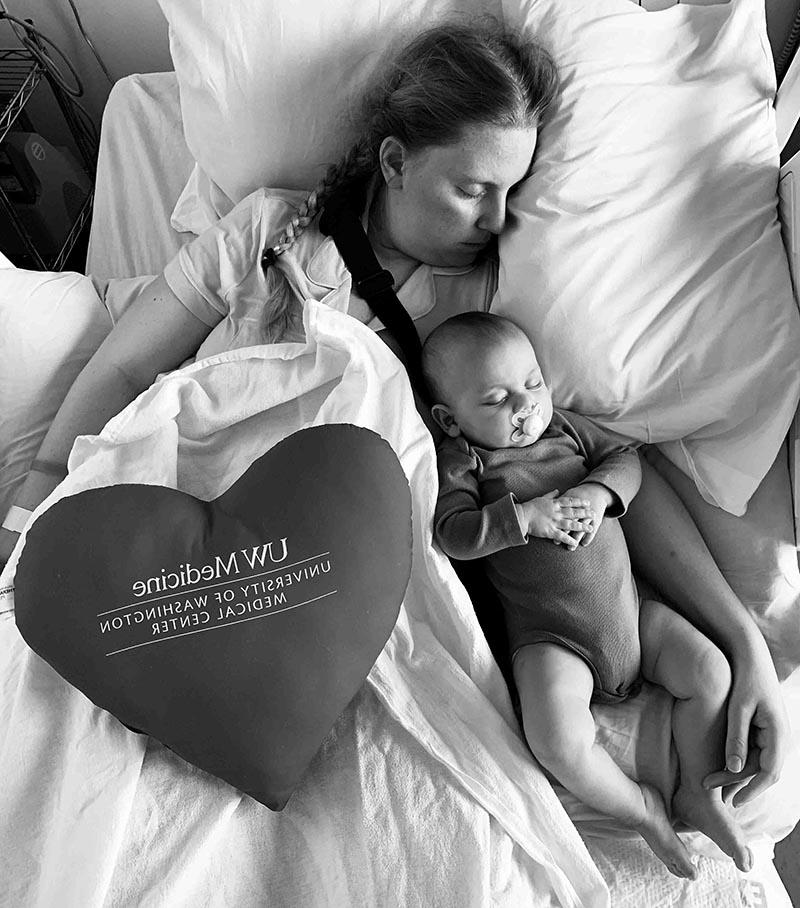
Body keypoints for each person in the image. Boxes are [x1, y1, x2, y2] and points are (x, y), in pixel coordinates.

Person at [0, 17, 788, 811]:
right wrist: (33, 501)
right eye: (473, 188)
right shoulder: (271, 232)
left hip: (339, 599)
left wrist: (745, 645)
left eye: (511, 191)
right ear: (394, 161)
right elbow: (133, 364)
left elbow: (596, 471)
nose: (496, 219)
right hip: (184, 525)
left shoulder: (485, 317)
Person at [425, 311, 753, 878]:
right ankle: (641, 808)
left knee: (712, 673)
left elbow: (627, 460)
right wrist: (522, 518)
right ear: (449, 421)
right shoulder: (467, 463)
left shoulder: (566, 430)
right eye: (497, 399)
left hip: (632, 618)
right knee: (556, 742)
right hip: (550, 640)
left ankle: (699, 791)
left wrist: (600, 493)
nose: (524, 406)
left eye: (532, 384)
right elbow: (452, 534)